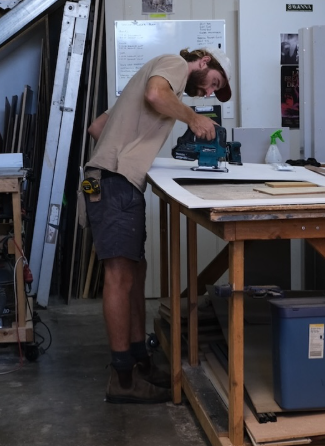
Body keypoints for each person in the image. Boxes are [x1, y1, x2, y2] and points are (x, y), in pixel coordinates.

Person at [83, 47, 233, 404]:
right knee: (120, 276)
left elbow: (97, 128)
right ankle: (122, 380)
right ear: (204, 62)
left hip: (110, 180)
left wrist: (125, 151)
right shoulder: (175, 64)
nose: (208, 93)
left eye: (213, 93)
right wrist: (193, 119)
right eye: (213, 83)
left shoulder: (160, 81)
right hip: (114, 183)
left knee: (135, 271)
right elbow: (155, 94)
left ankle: (140, 362)